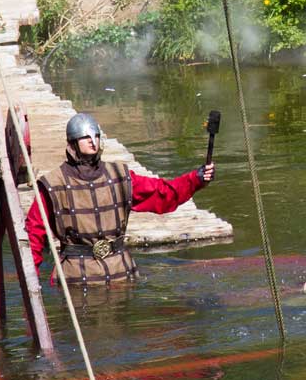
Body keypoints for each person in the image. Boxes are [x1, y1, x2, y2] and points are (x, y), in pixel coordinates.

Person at [25, 112, 214, 284]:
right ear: (73, 143)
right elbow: (34, 234)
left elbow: (162, 193)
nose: (93, 141)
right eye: (85, 137)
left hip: (120, 273)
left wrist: (195, 179)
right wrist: (31, 283)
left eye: (96, 136)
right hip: (75, 277)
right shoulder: (52, 184)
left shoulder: (119, 176)